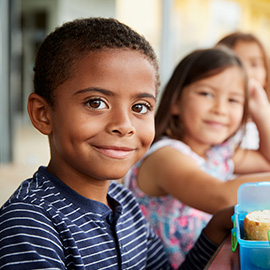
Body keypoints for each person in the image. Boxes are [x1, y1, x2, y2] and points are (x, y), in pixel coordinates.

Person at [0, 17, 234, 270]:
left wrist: (216, 227)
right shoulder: (29, 222)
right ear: (43, 114)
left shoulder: (125, 202)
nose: (124, 125)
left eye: (140, 107)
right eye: (96, 103)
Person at [125, 46, 270, 268]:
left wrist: (262, 110)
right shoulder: (165, 156)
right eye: (206, 94)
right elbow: (221, 198)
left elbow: (267, 160)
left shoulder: (219, 152)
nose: (220, 108)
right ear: (175, 102)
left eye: (233, 100)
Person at [216, 31, 270, 149]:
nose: (246, 72)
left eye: (254, 64)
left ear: (266, 75)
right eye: (236, 62)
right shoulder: (217, 116)